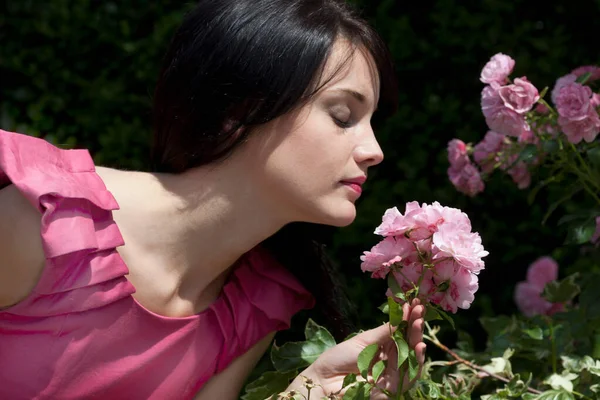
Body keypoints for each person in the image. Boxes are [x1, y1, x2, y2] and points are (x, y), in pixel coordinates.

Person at [0, 0, 426, 398]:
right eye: (342, 116)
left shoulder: (251, 305)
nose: (374, 150)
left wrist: (310, 389)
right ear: (237, 111)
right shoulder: (46, 222)